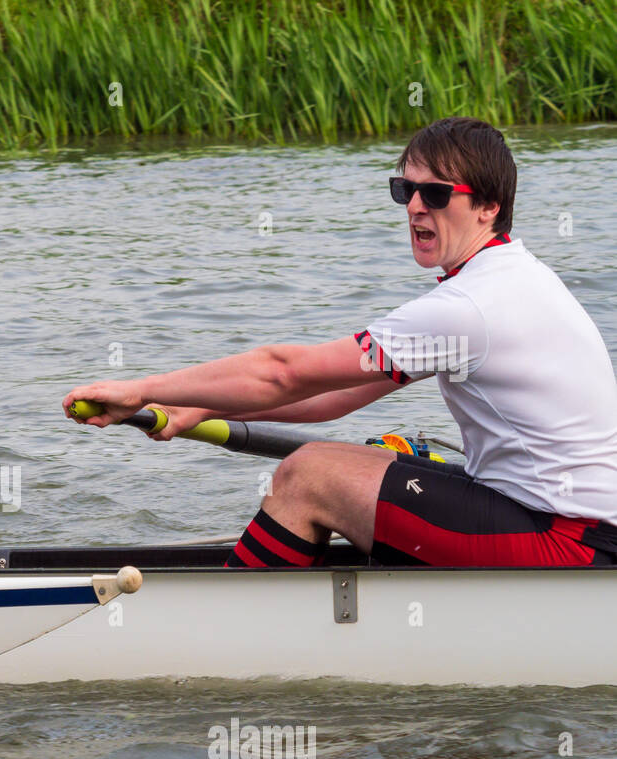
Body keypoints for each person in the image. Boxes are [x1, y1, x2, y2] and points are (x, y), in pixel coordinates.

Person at [64, 117, 617, 567]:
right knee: (346, 461)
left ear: (488, 206)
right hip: (560, 520)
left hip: (567, 540)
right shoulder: (507, 278)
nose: (415, 206)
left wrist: (141, 390)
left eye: (435, 192)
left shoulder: (470, 307)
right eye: (405, 189)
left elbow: (284, 371)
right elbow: (333, 398)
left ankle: (231, 631)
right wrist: (200, 408)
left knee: (309, 475)